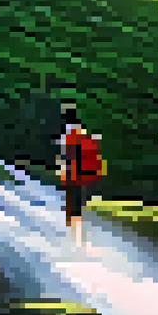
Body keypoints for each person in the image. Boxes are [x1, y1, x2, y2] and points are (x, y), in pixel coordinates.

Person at [58, 104, 103, 249]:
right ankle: (81, 237)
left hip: (73, 174)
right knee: (79, 205)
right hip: (86, 174)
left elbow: (68, 155)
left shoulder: (68, 133)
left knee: (71, 205)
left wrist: (63, 170)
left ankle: (72, 238)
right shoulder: (82, 131)